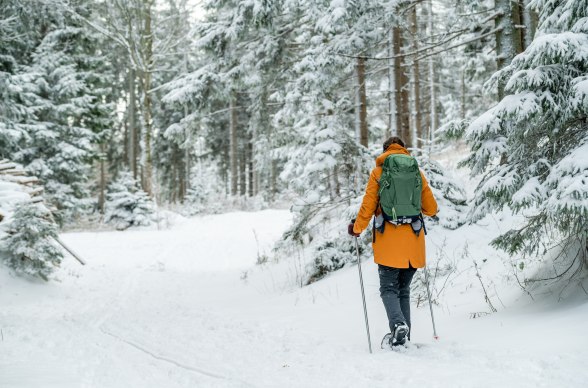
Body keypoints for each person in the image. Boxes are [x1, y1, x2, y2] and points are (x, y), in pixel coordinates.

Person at [348, 136, 438, 347]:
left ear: (385, 151)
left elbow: (368, 205)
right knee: (403, 290)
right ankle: (403, 337)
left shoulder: (378, 173)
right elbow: (432, 208)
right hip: (413, 245)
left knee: (389, 289)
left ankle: (398, 327)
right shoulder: (416, 172)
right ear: (403, 150)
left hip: (389, 242)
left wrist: (356, 228)